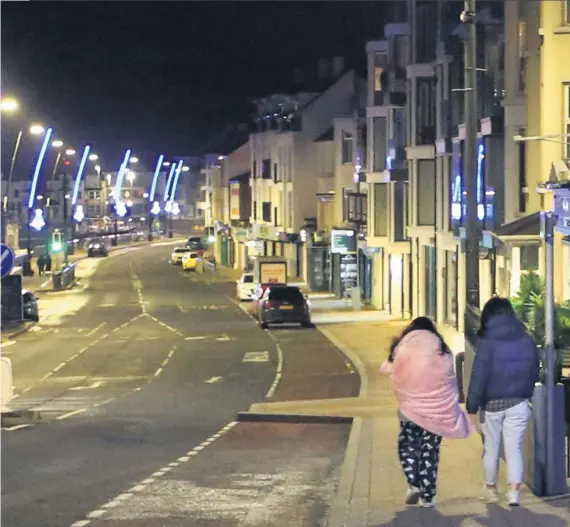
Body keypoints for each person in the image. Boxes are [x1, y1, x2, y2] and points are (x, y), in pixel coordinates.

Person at [381, 317, 473, 508]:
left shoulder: (402, 347)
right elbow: (449, 377)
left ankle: (414, 483)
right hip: (437, 412)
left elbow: (388, 369)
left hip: (409, 411)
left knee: (407, 447)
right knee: (430, 452)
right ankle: (428, 496)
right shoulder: (441, 348)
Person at [466, 297, 539, 506]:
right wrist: (527, 391)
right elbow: (534, 368)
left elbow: (479, 375)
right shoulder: (526, 338)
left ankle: (490, 488)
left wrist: (472, 407)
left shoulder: (487, 342)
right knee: (514, 448)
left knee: (492, 447)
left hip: (493, 404)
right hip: (519, 402)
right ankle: (514, 493)